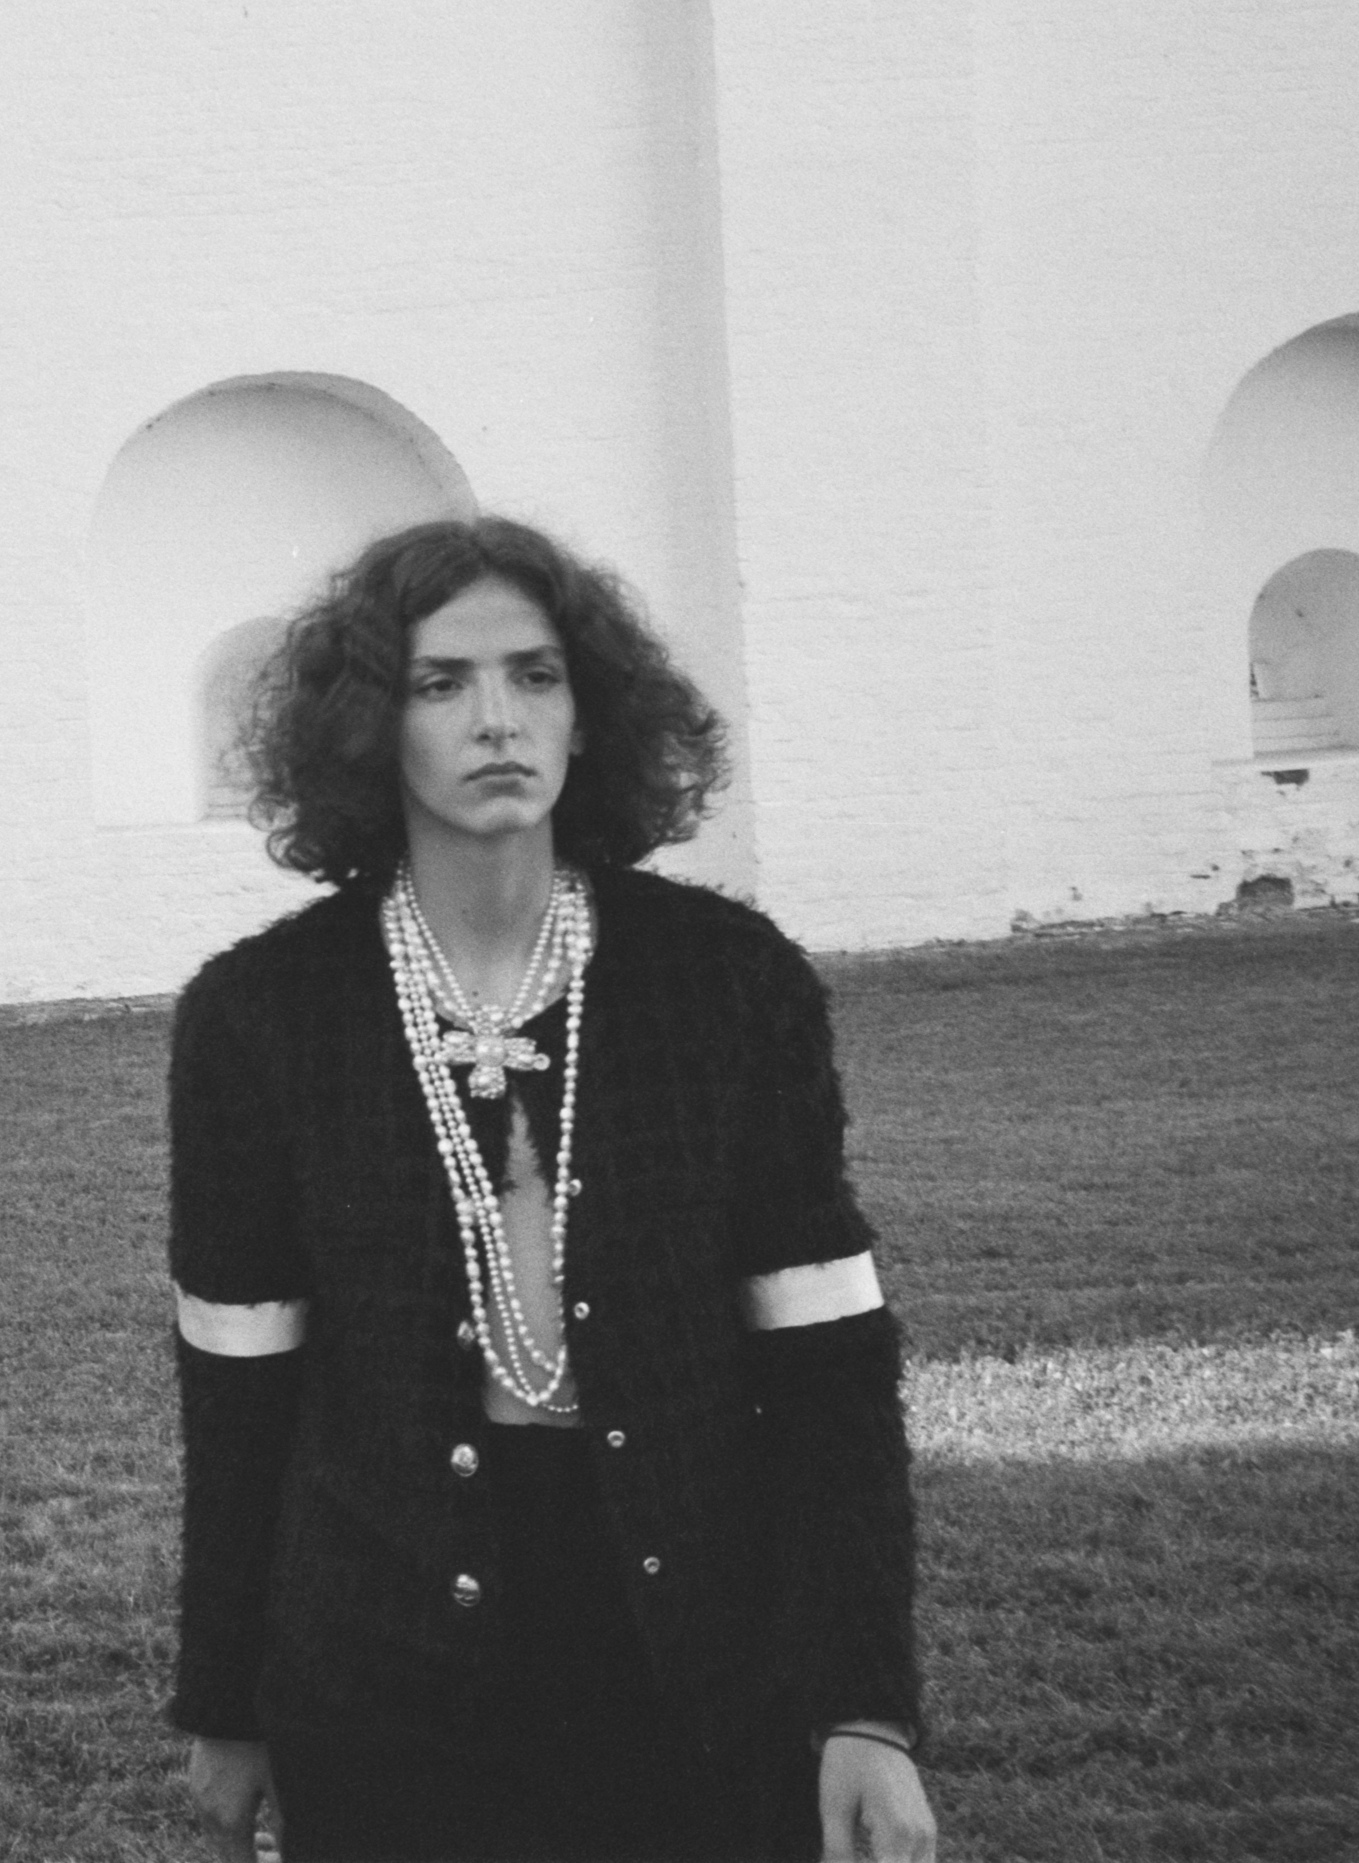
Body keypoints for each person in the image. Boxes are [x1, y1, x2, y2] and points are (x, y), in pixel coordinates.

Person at [166, 517, 937, 1862]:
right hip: (382, 1681)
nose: (496, 720)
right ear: (368, 724)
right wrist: (225, 1704)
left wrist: (864, 1707)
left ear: (589, 712)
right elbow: (238, 1399)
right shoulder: (261, 1015)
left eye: (534, 675)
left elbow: (831, 1374)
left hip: (698, 1668)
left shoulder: (726, 981)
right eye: (439, 682)